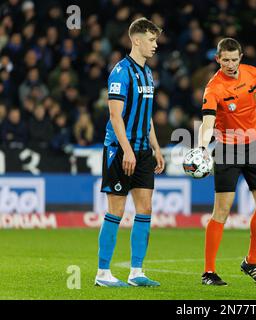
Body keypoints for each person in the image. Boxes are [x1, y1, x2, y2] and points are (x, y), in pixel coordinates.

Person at [198, 38, 256, 286]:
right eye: (226, 60)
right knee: (222, 211)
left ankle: (251, 263)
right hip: (227, 150)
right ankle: (209, 272)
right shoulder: (214, 88)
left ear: (241, 56)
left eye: (234, 59)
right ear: (217, 59)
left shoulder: (253, 74)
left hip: (254, 147)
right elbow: (207, 122)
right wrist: (201, 147)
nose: (230, 64)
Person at [95, 18, 165, 287]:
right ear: (136, 40)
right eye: (151, 40)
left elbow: (145, 118)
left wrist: (156, 148)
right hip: (119, 150)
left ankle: (136, 272)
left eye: (156, 40)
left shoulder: (148, 73)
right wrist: (127, 150)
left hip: (143, 152)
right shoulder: (120, 72)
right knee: (116, 209)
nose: (155, 45)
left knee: (145, 208)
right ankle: (103, 273)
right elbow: (115, 116)